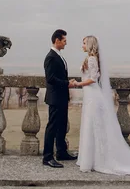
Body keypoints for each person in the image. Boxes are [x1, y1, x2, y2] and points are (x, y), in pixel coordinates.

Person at [72, 35, 130, 176]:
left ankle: (96, 160)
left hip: (93, 96)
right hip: (90, 96)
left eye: (84, 42)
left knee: (94, 126)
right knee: (91, 127)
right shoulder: (91, 58)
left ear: (90, 44)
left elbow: (93, 79)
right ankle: (91, 159)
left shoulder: (92, 59)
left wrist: (78, 84)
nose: (82, 44)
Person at [42, 29, 78, 168]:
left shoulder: (59, 55)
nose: (66, 43)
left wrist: (67, 80)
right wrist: (67, 83)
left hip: (62, 97)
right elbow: (50, 79)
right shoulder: (50, 57)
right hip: (55, 98)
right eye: (64, 40)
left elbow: (59, 75)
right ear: (57, 40)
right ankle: (47, 157)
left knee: (62, 126)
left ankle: (62, 152)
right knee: (52, 127)